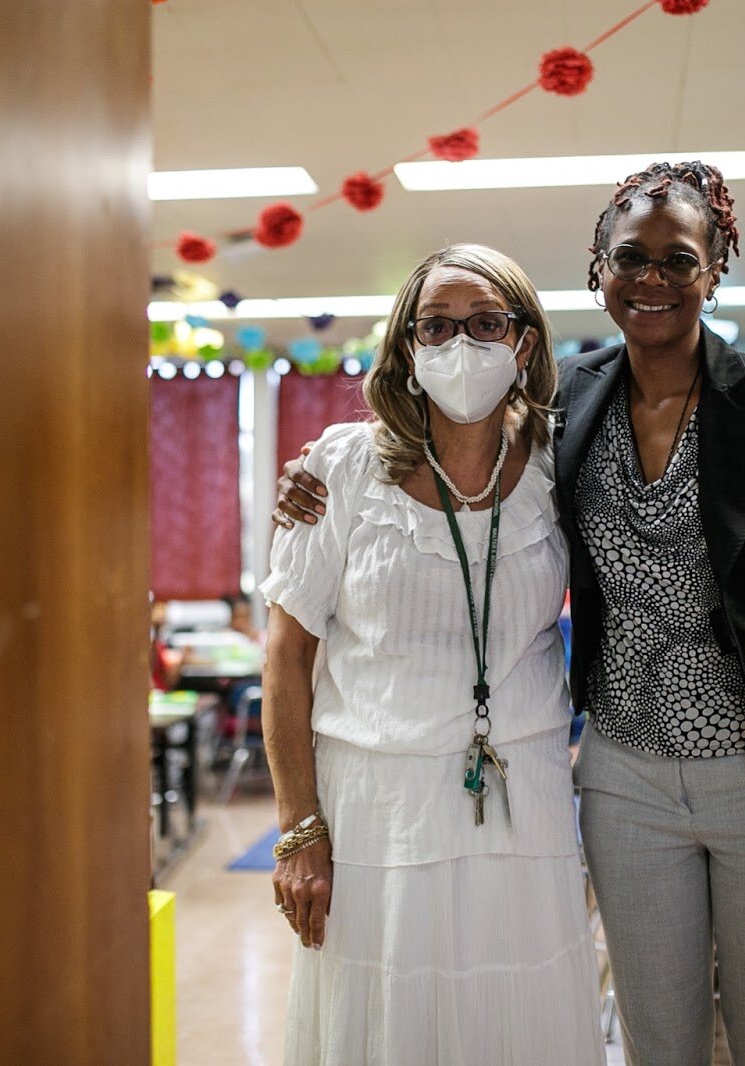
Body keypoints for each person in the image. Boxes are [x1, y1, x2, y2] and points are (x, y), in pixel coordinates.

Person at [275, 160, 745, 1066]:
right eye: (629, 257)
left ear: (714, 270)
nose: (651, 279)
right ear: (596, 270)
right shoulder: (572, 403)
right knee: (653, 1042)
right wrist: (307, 476)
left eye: (678, 260)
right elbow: (447, 454)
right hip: (624, 778)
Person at [259, 244, 605, 1064]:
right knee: (389, 1019)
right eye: (437, 327)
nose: (461, 345)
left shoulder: (564, 459)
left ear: (523, 343)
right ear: (408, 350)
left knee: (517, 1013)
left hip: (526, 802)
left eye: (486, 323)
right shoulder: (338, 469)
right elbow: (284, 659)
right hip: (377, 807)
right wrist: (298, 827)